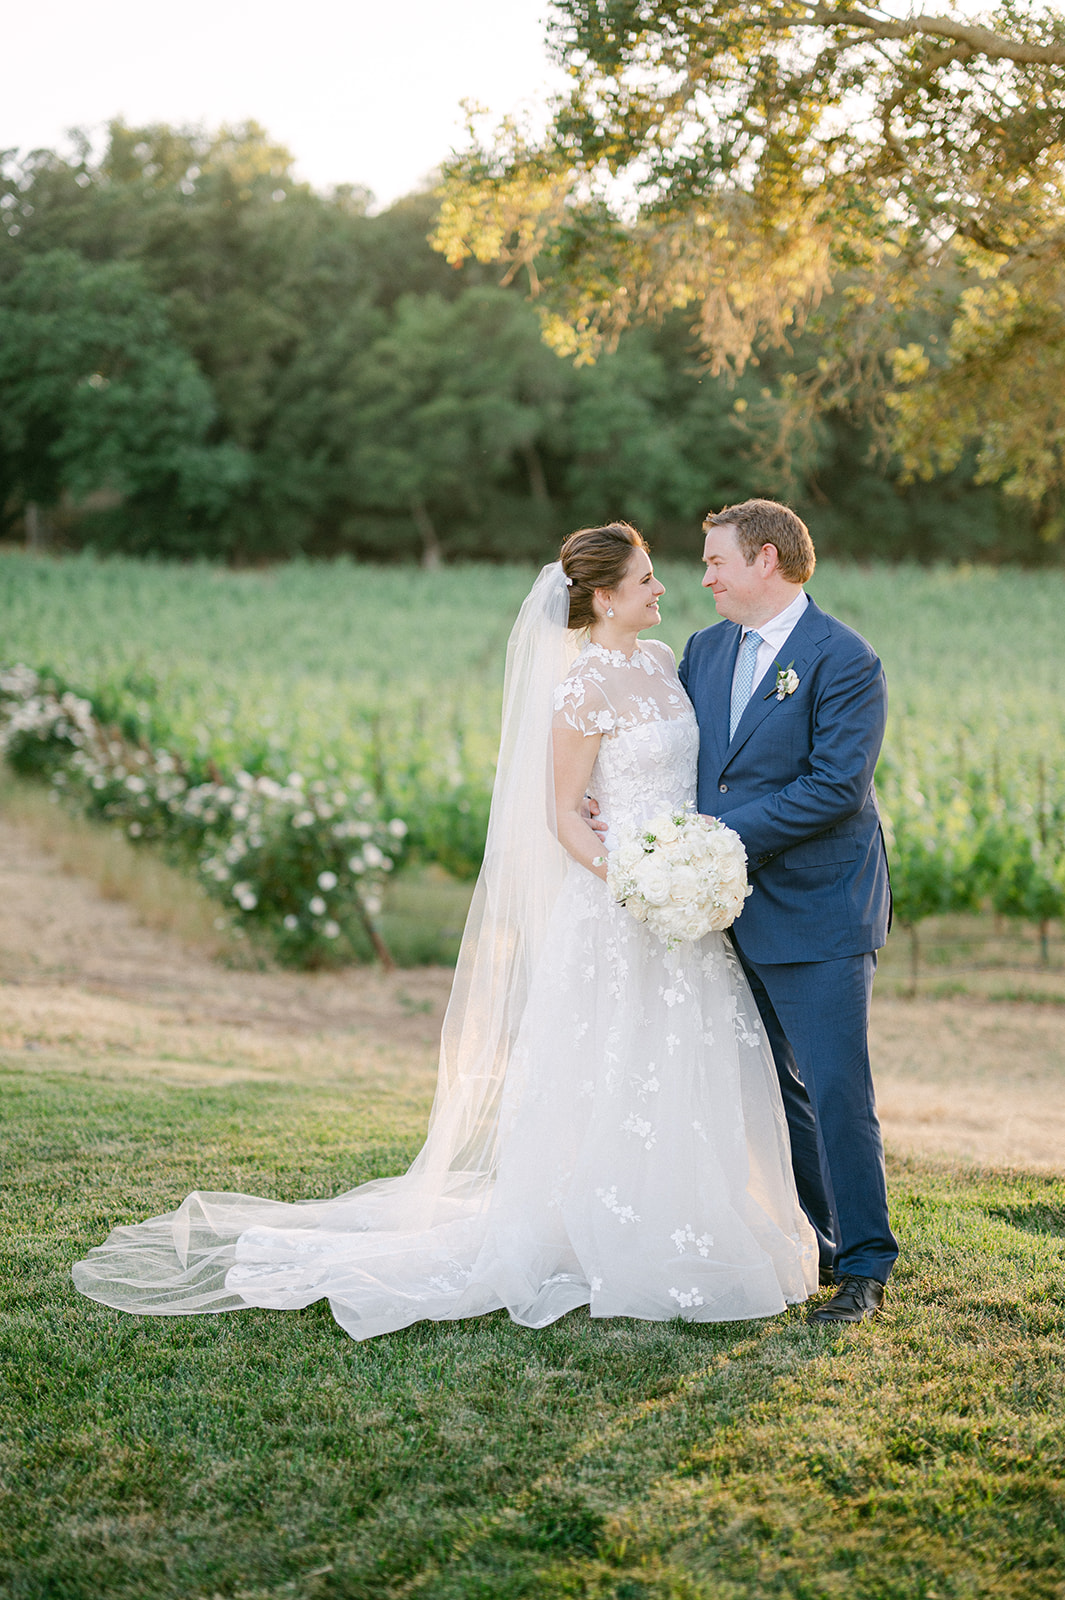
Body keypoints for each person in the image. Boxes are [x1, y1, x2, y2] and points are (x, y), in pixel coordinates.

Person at [72, 524, 817, 1340]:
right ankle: (598, 1227)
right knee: (611, 1059)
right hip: (620, 903)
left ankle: (688, 1216)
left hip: (680, 902)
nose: (661, 589)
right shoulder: (582, 686)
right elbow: (562, 813)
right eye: (644, 580)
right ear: (603, 597)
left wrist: (683, 872)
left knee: (684, 1058)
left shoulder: (666, 661)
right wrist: (631, 881)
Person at [678, 499, 897, 1324]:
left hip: (820, 907)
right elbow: (684, 760)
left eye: (715, 563)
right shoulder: (702, 651)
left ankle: (867, 1270)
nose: (703, 578)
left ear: (765, 560)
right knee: (774, 1089)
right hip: (721, 907)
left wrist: (710, 836)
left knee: (837, 1087)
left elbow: (836, 786)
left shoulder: (843, 658)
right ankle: (822, 1242)